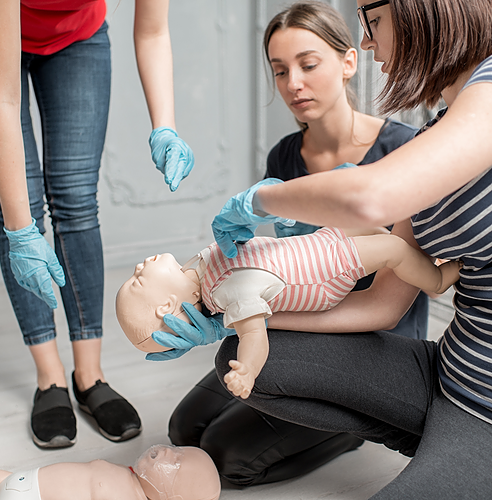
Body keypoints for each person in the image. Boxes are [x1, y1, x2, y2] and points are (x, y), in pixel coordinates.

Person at [205, 0, 492, 497]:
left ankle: (452, 452)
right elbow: (382, 304)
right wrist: (239, 315)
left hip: (484, 403)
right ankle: (442, 447)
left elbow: (368, 196)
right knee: (246, 358)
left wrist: (260, 199)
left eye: (372, 21)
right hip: (453, 369)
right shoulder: (434, 135)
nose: (366, 40)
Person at [163, 1, 430, 487]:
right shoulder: (285, 155)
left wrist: (238, 322)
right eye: (280, 70)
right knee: (185, 428)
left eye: (308, 65)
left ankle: (351, 424)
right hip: (298, 327)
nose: (293, 84)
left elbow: (387, 307)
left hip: (371, 336)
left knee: (228, 460)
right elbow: (278, 270)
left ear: (349, 61)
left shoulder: (403, 153)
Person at [0, 0, 194, 449]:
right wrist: (21, 232)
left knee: (77, 201)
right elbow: (1, 97)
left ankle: (89, 375)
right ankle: (50, 379)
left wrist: (165, 126)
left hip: (78, 38)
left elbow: (152, 32)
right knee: (19, 209)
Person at [116, 223, 459, 399]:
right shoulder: (228, 292)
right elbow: (255, 337)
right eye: (137, 281)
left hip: (317, 244)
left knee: (371, 229)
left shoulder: (201, 267)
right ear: (165, 306)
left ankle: (424, 262)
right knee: (392, 248)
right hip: (323, 273)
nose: (138, 268)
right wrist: (247, 370)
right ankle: (438, 279)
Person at [0, 444, 221, 500]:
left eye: (177, 461)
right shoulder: (129, 474)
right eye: (177, 448)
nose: (167, 451)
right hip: (18, 480)